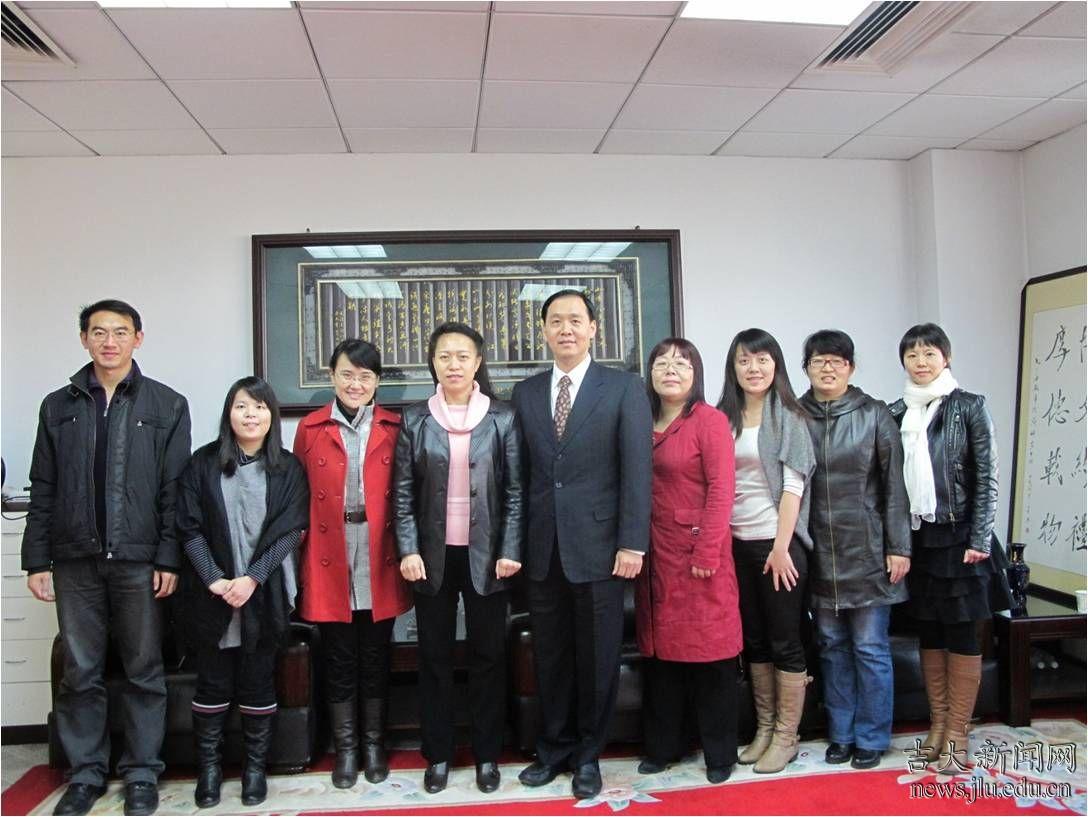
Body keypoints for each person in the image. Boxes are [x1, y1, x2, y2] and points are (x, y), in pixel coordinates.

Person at [21, 299, 191, 817]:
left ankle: (141, 774)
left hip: (139, 559)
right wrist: (37, 560)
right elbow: (43, 486)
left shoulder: (167, 404)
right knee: (81, 671)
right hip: (75, 558)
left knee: (144, 669)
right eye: (99, 332)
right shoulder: (59, 406)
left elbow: (175, 490)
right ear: (84, 339)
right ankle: (86, 774)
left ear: (139, 338)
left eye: (120, 331)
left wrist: (169, 558)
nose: (109, 341)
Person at [511, 289, 652, 800]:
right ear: (544, 331)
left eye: (575, 320)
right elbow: (520, 476)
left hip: (602, 547)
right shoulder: (526, 392)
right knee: (550, 655)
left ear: (594, 328)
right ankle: (554, 749)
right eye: (556, 321)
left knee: (597, 658)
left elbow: (637, 470)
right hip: (543, 548)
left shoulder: (624, 387)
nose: (565, 329)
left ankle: (589, 755)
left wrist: (632, 542)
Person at [393, 322, 524, 794]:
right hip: (431, 556)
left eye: (462, 356)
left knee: (489, 656)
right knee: (434, 657)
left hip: (489, 557)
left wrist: (510, 549)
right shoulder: (414, 419)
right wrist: (408, 548)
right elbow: (402, 493)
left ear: (477, 362)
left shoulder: (503, 418)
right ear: (432, 362)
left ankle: (488, 754)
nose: (453, 365)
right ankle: (439, 755)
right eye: (444, 356)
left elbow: (515, 491)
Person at [176, 377, 309, 808]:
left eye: (260, 407)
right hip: (211, 594)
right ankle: (210, 770)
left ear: (272, 415)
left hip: (263, 593)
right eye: (241, 406)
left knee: (258, 682)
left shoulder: (288, 468)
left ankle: (255, 770)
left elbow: (290, 531)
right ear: (228, 414)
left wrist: (252, 578)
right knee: (212, 684)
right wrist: (214, 578)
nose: (251, 415)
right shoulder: (202, 464)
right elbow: (189, 527)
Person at [888, 323, 1012, 772]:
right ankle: (938, 725)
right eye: (912, 355)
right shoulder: (897, 412)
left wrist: (979, 538)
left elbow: (987, 477)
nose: (920, 362)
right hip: (919, 539)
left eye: (929, 353)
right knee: (930, 632)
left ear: (946, 357)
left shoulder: (969, 406)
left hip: (962, 540)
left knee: (961, 632)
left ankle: (958, 730)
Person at [293, 339, 412, 788]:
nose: (355, 384)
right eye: (347, 374)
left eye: (365, 376)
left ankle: (374, 744)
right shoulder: (310, 428)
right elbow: (297, 498)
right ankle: (346, 749)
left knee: (376, 654)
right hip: (330, 550)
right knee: (339, 655)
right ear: (332, 376)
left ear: (377, 381)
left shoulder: (395, 426)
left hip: (380, 549)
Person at [798, 329, 912, 770]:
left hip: (867, 549)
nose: (827, 368)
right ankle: (841, 734)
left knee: (869, 647)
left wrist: (898, 546)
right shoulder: (795, 415)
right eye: (819, 360)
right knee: (830, 645)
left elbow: (894, 486)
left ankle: (872, 736)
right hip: (817, 551)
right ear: (806, 368)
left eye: (837, 360)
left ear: (850, 367)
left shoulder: (874, 414)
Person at [634, 338, 738, 784]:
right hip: (654, 556)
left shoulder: (709, 421)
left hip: (698, 556)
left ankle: (719, 753)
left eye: (681, 363)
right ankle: (663, 747)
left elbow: (722, 490)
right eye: (662, 363)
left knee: (710, 654)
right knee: (661, 656)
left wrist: (708, 550)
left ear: (696, 374)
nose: (670, 370)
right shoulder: (640, 422)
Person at [717, 328, 816, 774]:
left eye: (761, 359)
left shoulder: (790, 416)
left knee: (784, 641)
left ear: (775, 365)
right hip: (735, 545)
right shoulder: (723, 417)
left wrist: (780, 547)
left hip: (779, 546)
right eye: (744, 360)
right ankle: (764, 729)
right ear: (733, 368)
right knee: (753, 641)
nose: (753, 368)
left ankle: (786, 736)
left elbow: (794, 486)